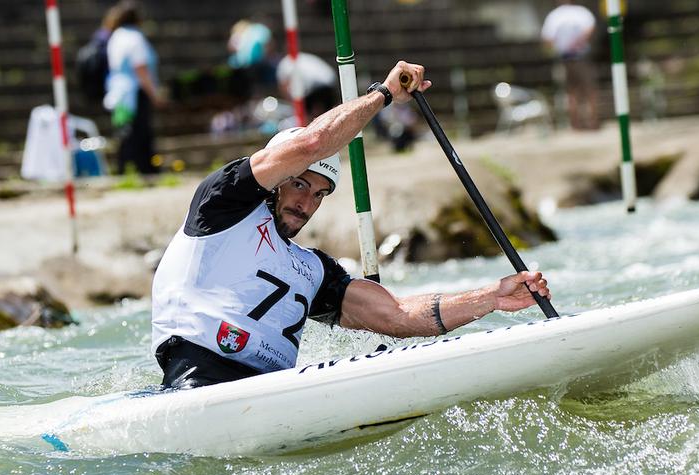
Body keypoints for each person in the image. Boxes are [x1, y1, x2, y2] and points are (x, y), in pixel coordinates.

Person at [151, 61, 552, 390]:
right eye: (299, 184)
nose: (306, 202)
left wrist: (492, 297)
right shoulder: (223, 204)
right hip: (198, 380)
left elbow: (398, 316)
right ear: (276, 177)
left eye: (320, 194)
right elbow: (311, 145)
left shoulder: (313, 270)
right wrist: (384, 95)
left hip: (272, 393)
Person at [103, 1, 165, 175]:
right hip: (135, 92)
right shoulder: (135, 38)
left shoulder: (116, 36)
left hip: (119, 92)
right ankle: (144, 169)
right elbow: (141, 69)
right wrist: (154, 94)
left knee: (126, 131)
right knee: (139, 132)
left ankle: (125, 168)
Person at [540, 0, 599, 130]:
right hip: (566, 59)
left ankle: (591, 122)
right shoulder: (556, 15)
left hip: (580, 57)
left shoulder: (575, 12)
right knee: (572, 92)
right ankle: (576, 124)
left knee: (587, 90)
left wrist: (576, 42)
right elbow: (547, 38)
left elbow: (547, 38)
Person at [276, 51, 338, 121]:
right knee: (327, 116)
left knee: (311, 118)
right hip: (330, 83)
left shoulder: (285, 63)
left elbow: (284, 85)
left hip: (315, 87)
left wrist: (292, 102)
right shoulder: (302, 57)